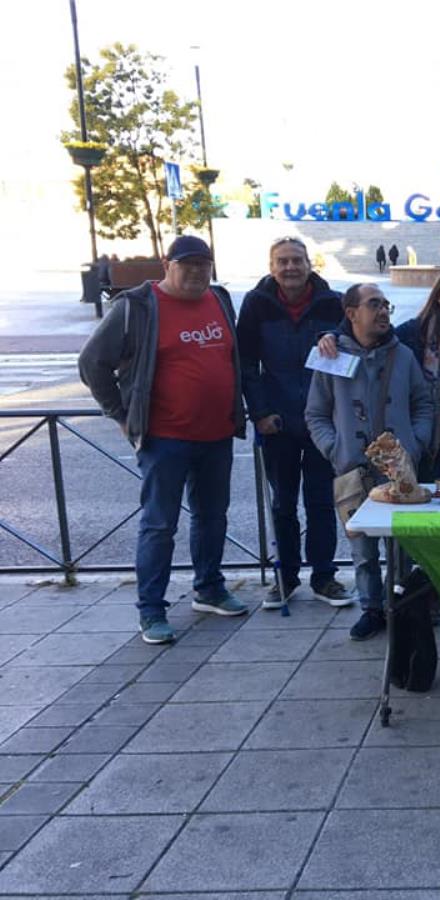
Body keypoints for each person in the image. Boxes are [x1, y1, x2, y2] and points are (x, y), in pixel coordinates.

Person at [78, 235, 248, 644]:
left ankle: (209, 589)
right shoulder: (137, 307)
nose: (197, 272)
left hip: (216, 435)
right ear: (167, 265)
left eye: (203, 265)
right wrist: (120, 415)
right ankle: (151, 610)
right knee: (159, 525)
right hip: (165, 439)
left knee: (213, 517)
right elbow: (92, 362)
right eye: (187, 264)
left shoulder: (219, 299)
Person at [305, 284, 435, 640]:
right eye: (374, 304)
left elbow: (423, 403)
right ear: (351, 313)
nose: (383, 311)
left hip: (400, 470)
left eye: (385, 304)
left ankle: (402, 604)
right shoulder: (330, 356)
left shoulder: (403, 355)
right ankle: (371, 608)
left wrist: (415, 444)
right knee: (361, 546)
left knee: (403, 545)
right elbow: (316, 413)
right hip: (351, 469)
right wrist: (335, 449)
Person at [237, 236, 351, 609]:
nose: (290, 267)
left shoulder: (332, 301)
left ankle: (324, 577)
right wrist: (259, 413)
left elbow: (351, 346)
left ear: (309, 264)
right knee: (283, 504)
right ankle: (284, 578)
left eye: (297, 260)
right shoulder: (256, 304)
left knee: (321, 503)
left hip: (322, 423)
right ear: (272, 267)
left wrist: (335, 336)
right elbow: (246, 364)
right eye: (282, 261)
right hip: (277, 422)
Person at [319, 268, 440, 483]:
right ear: (439, 296)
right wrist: (334, 335)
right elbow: (377, 335)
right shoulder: (415, 332)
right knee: (426, 499)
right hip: (430, 441)